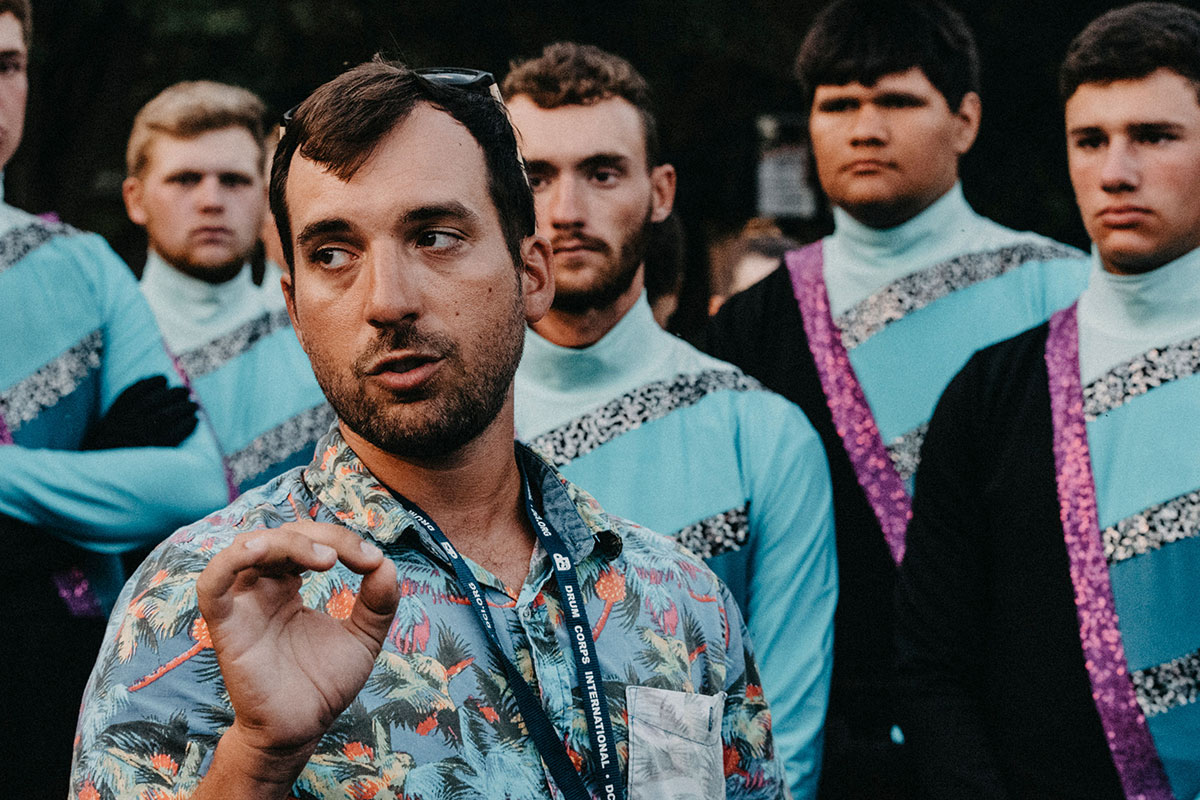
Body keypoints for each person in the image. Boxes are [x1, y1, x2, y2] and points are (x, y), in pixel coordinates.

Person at [71, 58, 788, 800]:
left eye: (436, 236)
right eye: (334, 254)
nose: (386, 300)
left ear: (531, 273)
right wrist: (258, 756)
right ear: (294, 306)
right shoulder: (193, 604)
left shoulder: (677, 601)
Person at [701, 2, 1090, 797]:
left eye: (897, 101)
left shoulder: (1069, 295)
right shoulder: (748, 327)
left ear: (967, 118)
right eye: (838, 104)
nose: (865, 127)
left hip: (1037, 745)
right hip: (832, 752)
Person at [503, 42, 837, 798]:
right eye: (535, 178)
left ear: (660, 191)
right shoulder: (438, 426)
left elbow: (779, 746)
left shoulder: (764, 438)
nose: (564, 212)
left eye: (602, 172)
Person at [896, 4, 1200, 798]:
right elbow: (934, 667)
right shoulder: (992, 392)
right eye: (1090, 140)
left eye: (1155, 137)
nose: (1116, 172)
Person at [0, 1, 228, 793]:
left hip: (61, 690)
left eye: (7, 66)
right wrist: (86, 493)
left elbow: (193, 484)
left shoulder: (86, 266)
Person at [124, 81, 332, 496]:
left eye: (234, 181)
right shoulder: (110, 351)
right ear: (135, 199)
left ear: (267, 199)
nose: (211, 201)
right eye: (185, 179)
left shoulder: (320, 335)